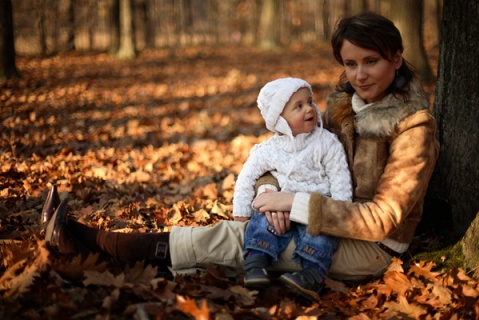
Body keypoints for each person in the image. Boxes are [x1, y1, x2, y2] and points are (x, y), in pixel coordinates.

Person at [42, 11, 439, 302]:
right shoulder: (339, 109)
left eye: (371, 61)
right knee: (252, 238)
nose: (360, 75)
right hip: (318, 221)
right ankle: (108, 250)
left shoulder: (413, 128)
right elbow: (285, 154)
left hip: (371, 247)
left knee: (237, 238)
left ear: (397, 59)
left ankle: (100, 246)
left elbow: (383, 218)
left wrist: (296, 204)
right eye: (350, 64)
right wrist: (270, 197)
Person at [232, 78, 351, 299]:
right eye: (299, 106)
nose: (309, 109)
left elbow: (340, 177)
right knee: (262, 222)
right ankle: (256, 261)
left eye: (309, 102)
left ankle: (312, 274)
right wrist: (241, 212)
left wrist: (339, 210)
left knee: (320, 235)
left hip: (314, 205)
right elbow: (246, 177)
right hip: (281, 206)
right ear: (279, 120)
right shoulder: (269, 149)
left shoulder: (326, 142)